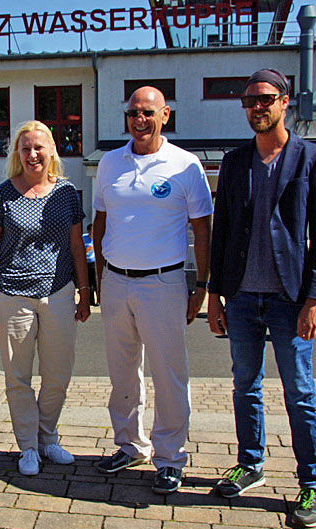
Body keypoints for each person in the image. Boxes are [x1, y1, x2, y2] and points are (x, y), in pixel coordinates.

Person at [207, 68, 316, 528]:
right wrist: (214, 295)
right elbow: (220, 235)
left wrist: (314, 298)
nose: (256, 107)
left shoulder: (311, 159)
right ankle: (251, 463)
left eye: (264, 99)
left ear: (284, 102)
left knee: (299, 391)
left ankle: (313, 483)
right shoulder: (235, 162)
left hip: (289, 298)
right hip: (241, 297)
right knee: (245, 386)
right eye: (249, 101)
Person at [93, 86, 213, 494]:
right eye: (131, 113)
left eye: (147, 112)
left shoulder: (185, 165)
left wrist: (202, 284)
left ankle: (170, 458)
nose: (138, 120)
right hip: (116, 282)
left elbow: (202, 229)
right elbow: (100, 222)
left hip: (164, 282)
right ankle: (130, 445)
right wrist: (100, 278)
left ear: (165, 116)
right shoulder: (110, 163)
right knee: (122, 372)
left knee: (168, 374)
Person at [0, 120, 90, 476]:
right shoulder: (3, 195)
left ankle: (48, 437)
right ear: (17, 154)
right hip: (11, 296)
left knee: (58, 374)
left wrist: (84, 293)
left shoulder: (68, 193)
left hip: (58, 293)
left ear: (52, 151)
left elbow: (76, 246)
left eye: (39, 147)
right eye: (25, 148)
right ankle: (28, 446)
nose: (32, 154)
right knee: (18, 377)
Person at [82, 223, 98, 306]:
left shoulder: (97, 238)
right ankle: (91, 300)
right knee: (88, 283)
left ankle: (99, 299)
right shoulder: (84, 238)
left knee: (96, 282)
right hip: (86, 263)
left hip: (94, 263)